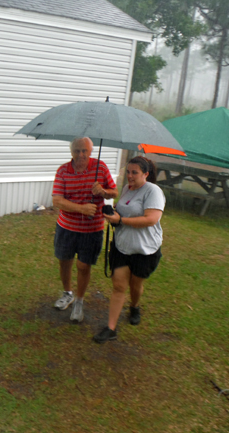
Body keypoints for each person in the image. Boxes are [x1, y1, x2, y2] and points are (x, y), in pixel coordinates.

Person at [93, 156, 165, 343]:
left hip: (145, 249)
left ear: (146, 174)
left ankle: (134, 306)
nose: (130, 176)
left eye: (135, 173)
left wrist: (121, 220)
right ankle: (111, 328)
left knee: (136, 285)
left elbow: (151, 219)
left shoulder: (153, 191)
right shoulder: (126, 188)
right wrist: (113, 212)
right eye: (129, 172)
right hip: (122, 246)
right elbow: (124, 210)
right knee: (119, 286)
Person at [52, 137, 119, 322]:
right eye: (77, 151)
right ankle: (67, 293)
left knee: (83, 266)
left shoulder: (101, 167)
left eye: (85, 151)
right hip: (66, 227)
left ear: (91, 151)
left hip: (92, 229)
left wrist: (104, 192)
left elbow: (114, 191)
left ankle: (79, 301)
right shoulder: (63, 171)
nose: (81, 154)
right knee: (64, 261)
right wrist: (81, 208)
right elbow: (57, 200)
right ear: (71, 152)